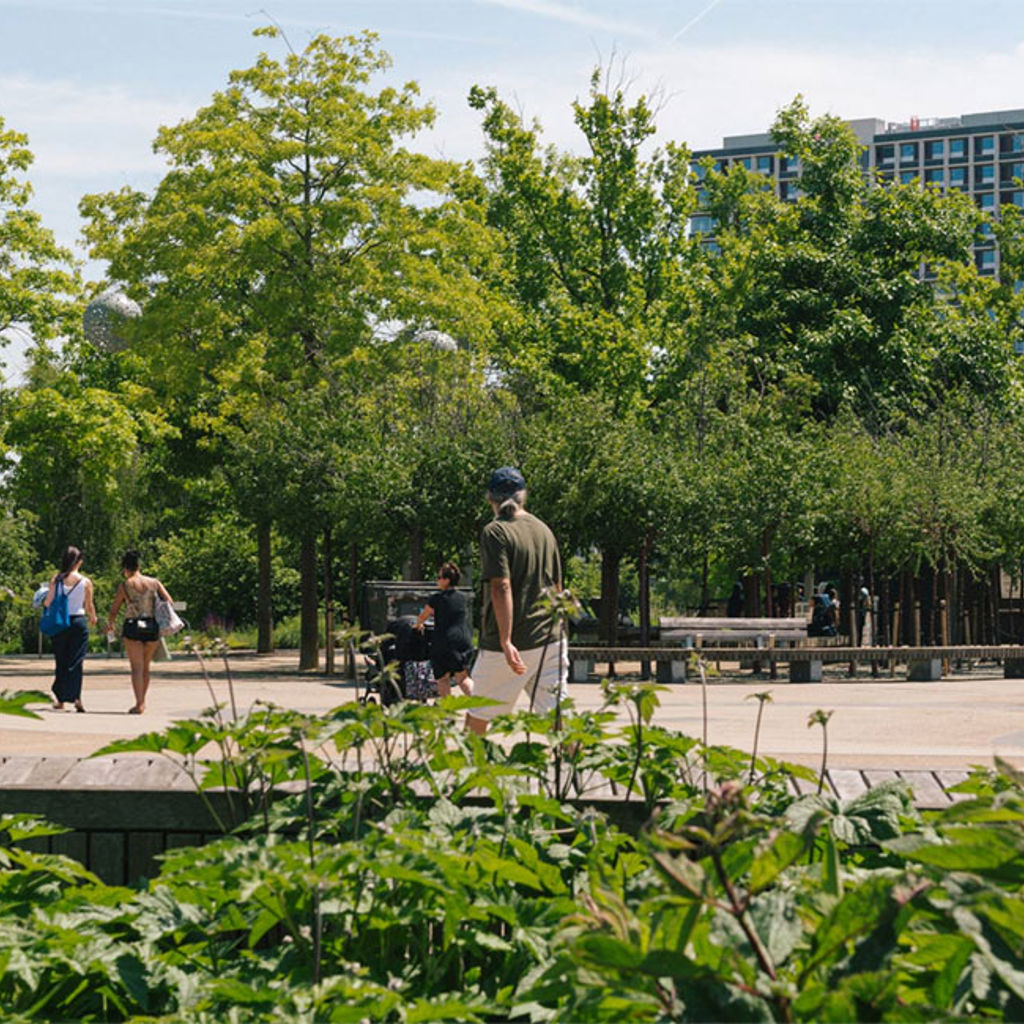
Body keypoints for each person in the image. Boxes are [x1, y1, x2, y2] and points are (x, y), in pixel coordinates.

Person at [468, 466, 567, 735]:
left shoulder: (495, 532)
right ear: (523, 496)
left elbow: (501, 586)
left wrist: (505, 639)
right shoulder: (544, 530)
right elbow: (558, 587)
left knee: (478, 717)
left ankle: (470, 775)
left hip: (509, 645)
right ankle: (574, 772)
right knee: (557, 720)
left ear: (491, 499)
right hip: (550, 639)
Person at [105, 550, 175, 714]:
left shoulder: (125, 585)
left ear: (125, 568)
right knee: (146, 667)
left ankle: (139, 704)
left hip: (132, 626)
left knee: (136, 668)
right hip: (152, 626)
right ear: (139, 565)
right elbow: (169, 601)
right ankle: (143, 701)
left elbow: (115, 609)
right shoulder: (154, 582)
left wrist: (110, 624)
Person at [44, 546, 97, 712]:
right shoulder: (86, 582)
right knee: (76, 661)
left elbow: (48, 602)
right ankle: (77, 698)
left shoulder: (56, 579)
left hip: (60, 623)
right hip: (78, 622)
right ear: (79, 562)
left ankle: (60, 700)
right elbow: (89, 605)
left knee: (61, 660)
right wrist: (93, 617)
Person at [415, 561, 474, 698]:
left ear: (447, 580)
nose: (437, 580)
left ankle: (447, 712)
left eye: (439, 577)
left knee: (443, 678)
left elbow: (424, 616)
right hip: (463, 639)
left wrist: (418, 624)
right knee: (462, 677)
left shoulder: (436, 598)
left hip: (444, 641)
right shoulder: (462, 597)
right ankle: (481, 706)